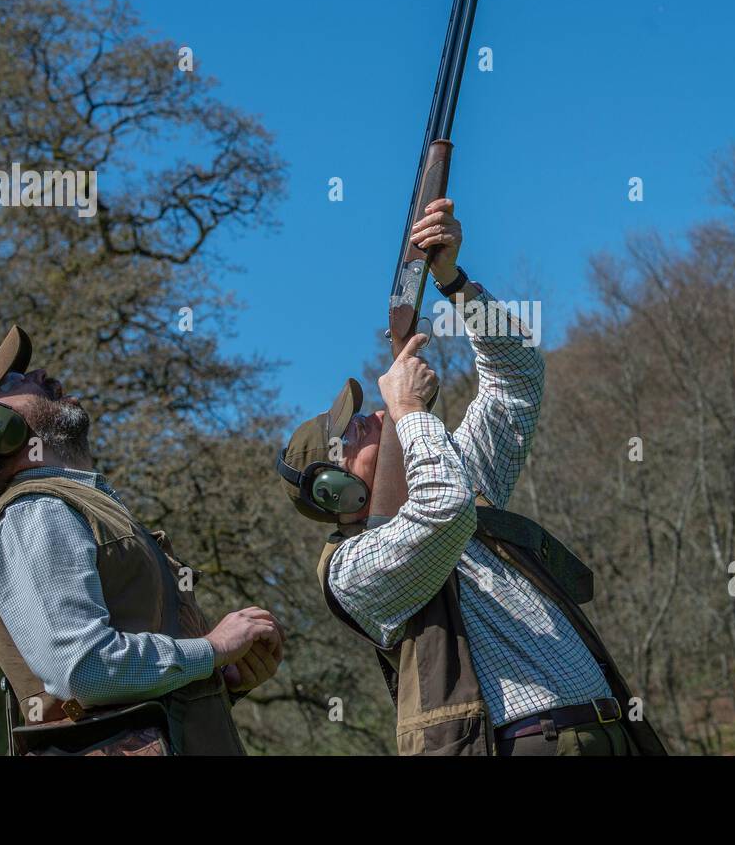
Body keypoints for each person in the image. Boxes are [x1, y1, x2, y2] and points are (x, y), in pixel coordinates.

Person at [277, 197, 666, 756]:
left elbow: (518, 378)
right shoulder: (352, 571)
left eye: (371, 414)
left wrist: (453, 281)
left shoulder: (455, 476)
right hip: (528, 745)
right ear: (335, 491)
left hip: (606, 733)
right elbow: (443, 511)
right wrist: (412, 413)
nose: (377, 419)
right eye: (358, 431)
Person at [0, 326, 283, 754]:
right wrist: (212, 648)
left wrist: (220, 678)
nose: (42, 374)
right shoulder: (37, 511)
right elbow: (84, 669)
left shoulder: (80, 509)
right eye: (14, 381)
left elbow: (130, 698)